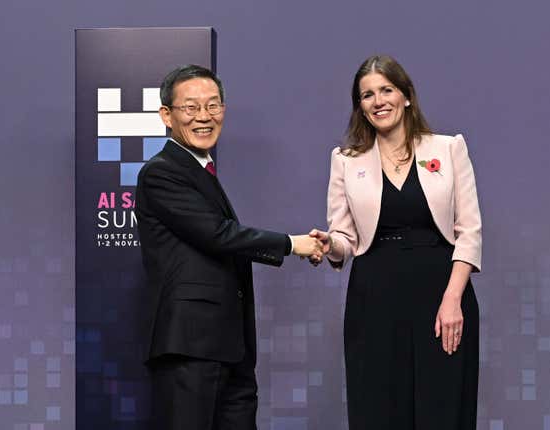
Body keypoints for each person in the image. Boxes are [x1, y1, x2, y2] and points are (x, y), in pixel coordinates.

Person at [135, 64, 322, 430]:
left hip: (229, 346)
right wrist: (292, 244)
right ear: (166, 116)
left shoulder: (200, 169)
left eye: (214, 105)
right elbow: (217, 234)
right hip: (190, 345)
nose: (204, 117)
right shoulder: (161, 172)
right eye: (190, 108)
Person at [310, 55, 482, 429]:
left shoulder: (449, 149)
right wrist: (328, 244)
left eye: (386, 90)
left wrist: (453, 300)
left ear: (406, 96)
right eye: (367, 95)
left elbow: (468, 231)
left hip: (441, 294)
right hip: (374, 298)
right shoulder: (345, 160)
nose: (378, 101)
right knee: (378, 408)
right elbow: (344, 238)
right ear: (360, 106)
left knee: (443, 406)